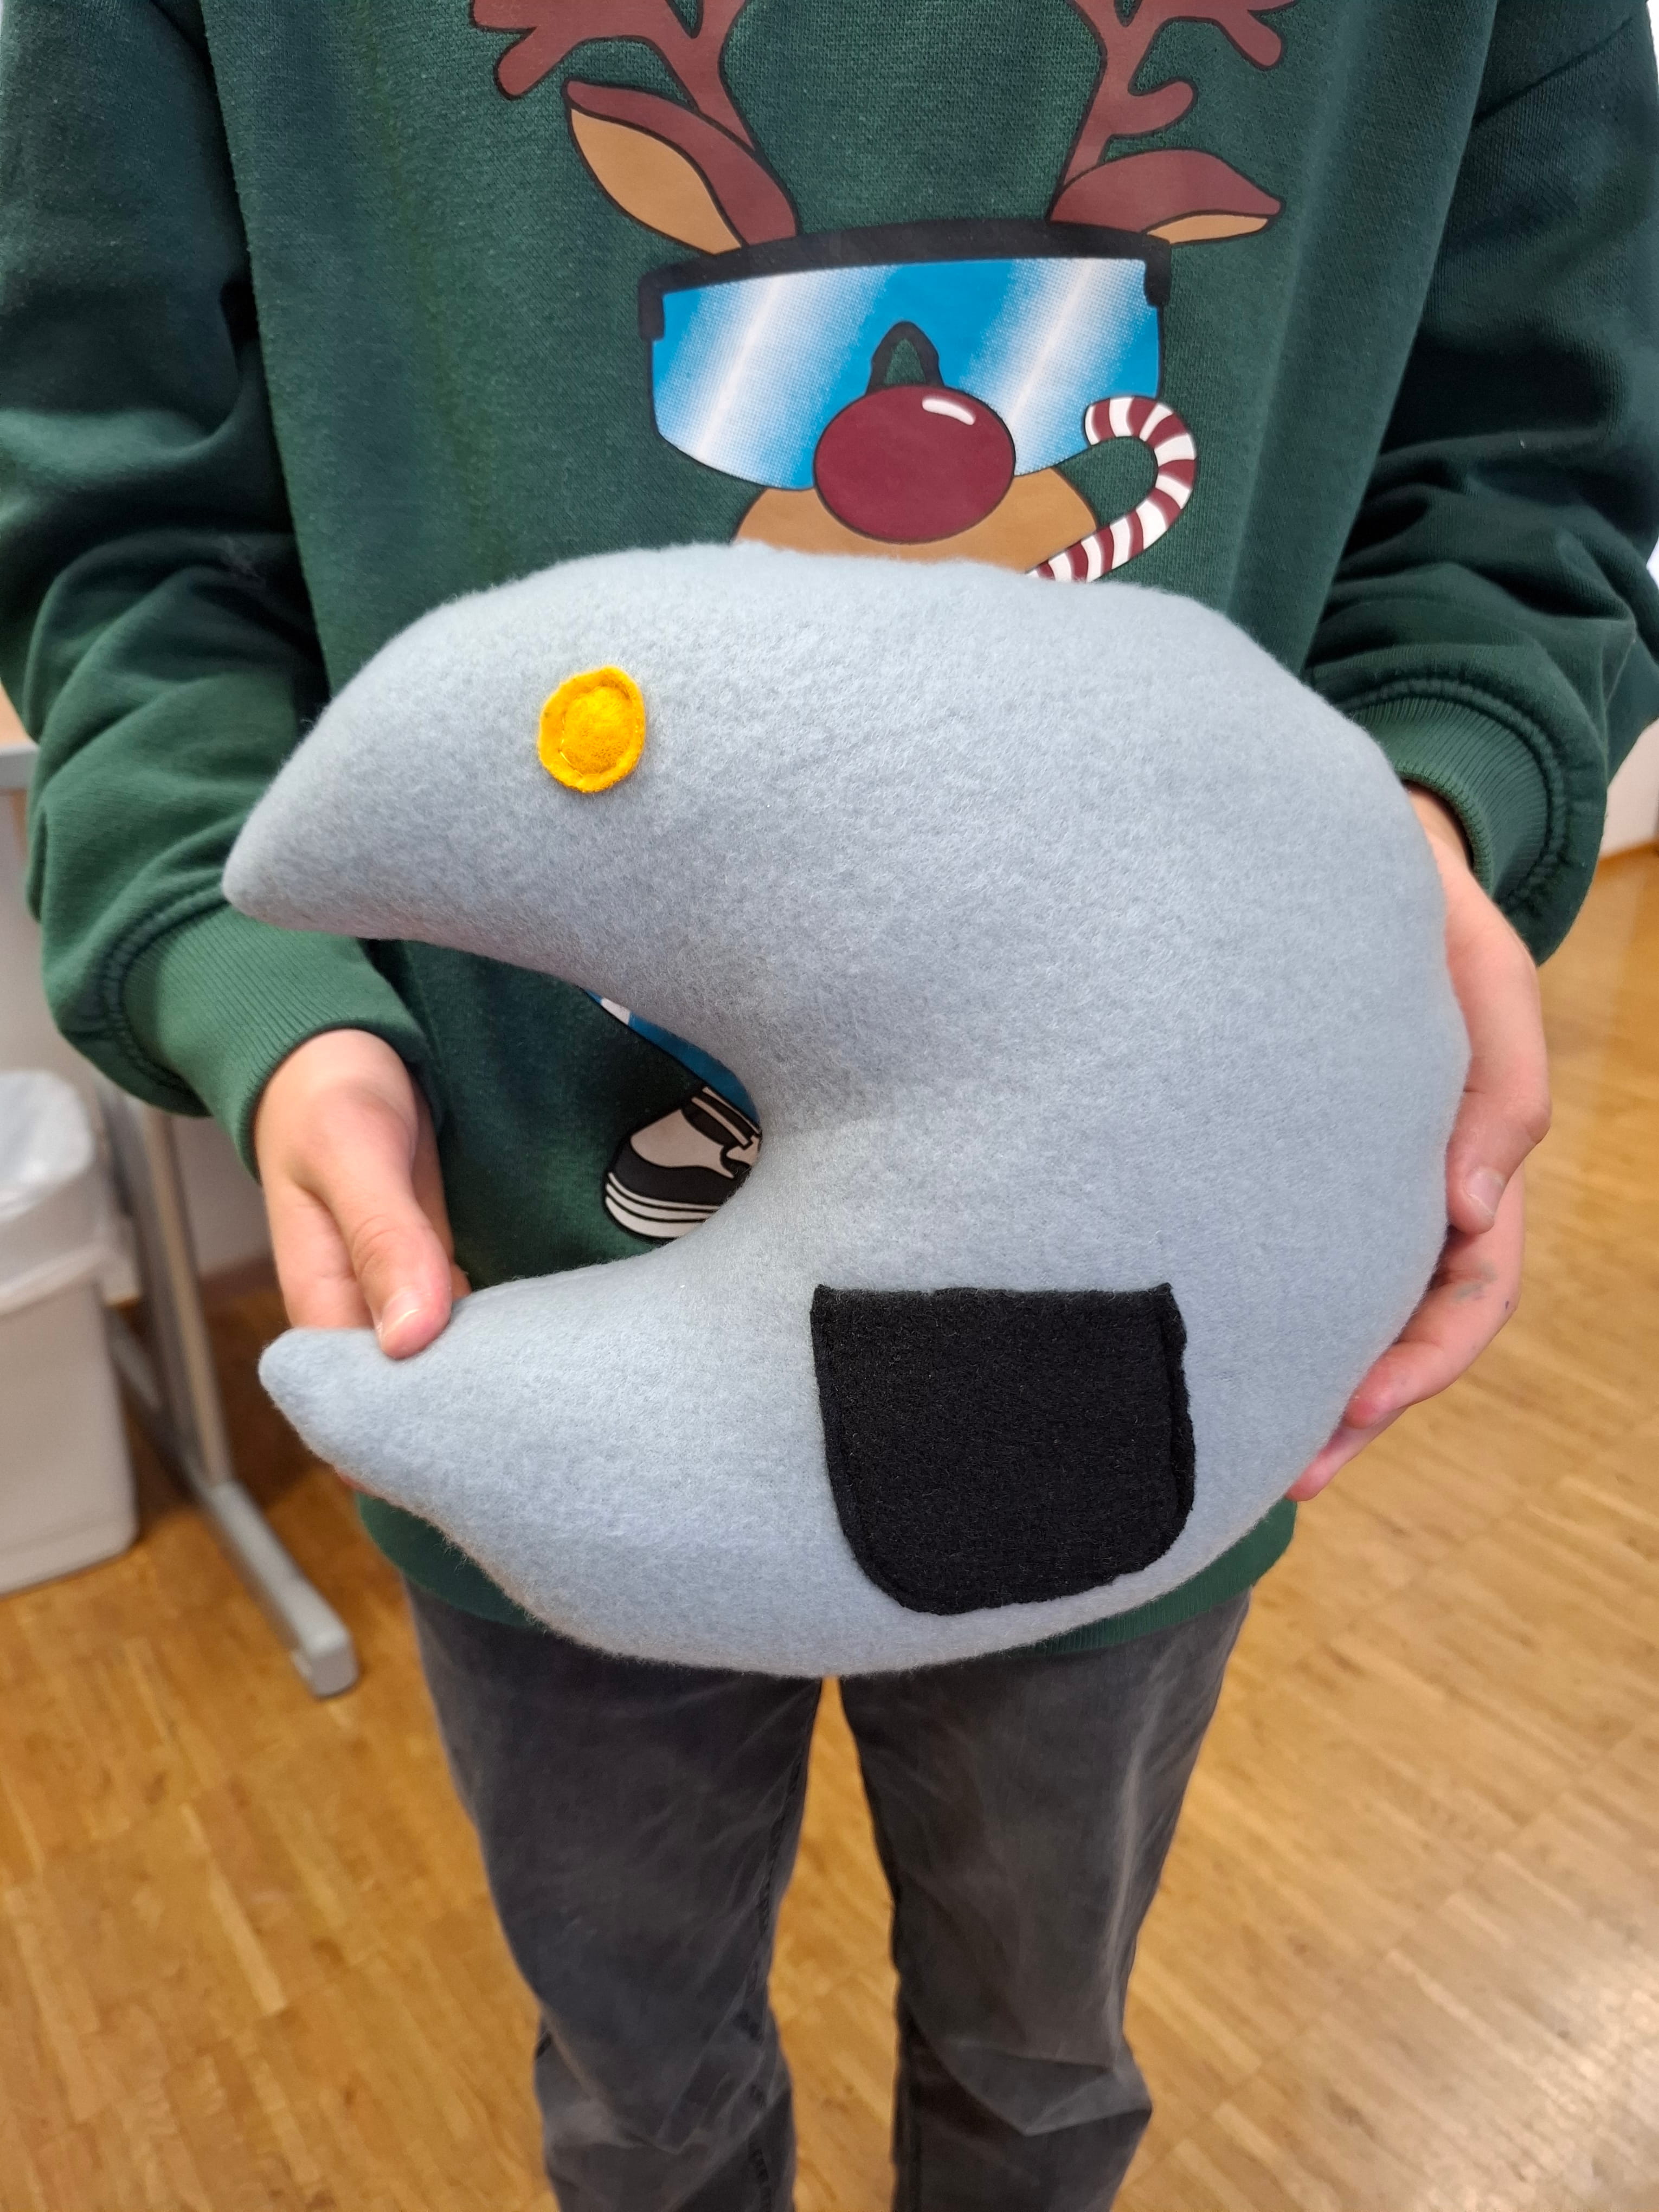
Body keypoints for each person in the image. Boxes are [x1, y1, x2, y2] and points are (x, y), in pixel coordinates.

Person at [1, 2, 1655, 2204]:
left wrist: (1412, 842)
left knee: (1039, 2064)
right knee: (645, 2094)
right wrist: (262, 986)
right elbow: (124, 518)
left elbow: (1527, 461)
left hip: (1169, 1337)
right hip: (507, 1278)